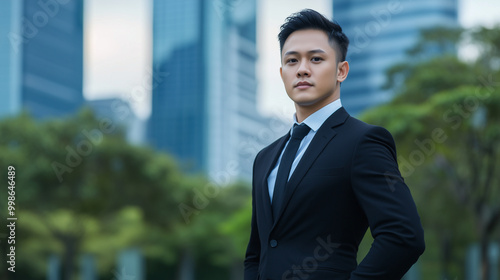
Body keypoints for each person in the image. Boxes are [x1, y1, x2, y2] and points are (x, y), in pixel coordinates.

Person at [244, 9, 425, 280]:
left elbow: (403, 236)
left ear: (341, 70)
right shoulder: (265, 158)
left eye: (316, 59)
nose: (302, 69)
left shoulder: (363, 142)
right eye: (292, 61)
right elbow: (256, 253)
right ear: (282, 74)